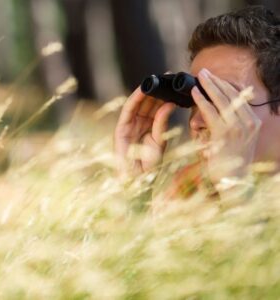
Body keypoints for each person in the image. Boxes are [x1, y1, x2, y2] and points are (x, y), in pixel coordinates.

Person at [114, 6, 280, 201]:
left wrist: (236, 192)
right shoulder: (187, 192)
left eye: (225, 100)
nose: (196, 122)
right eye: (194, 101)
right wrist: (136, 190)